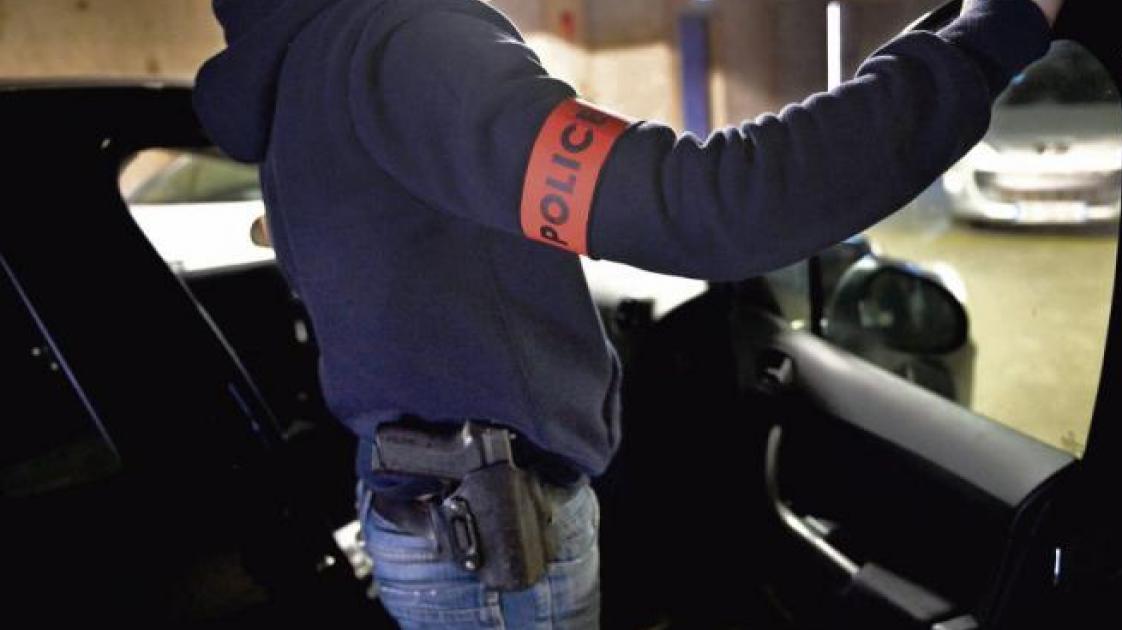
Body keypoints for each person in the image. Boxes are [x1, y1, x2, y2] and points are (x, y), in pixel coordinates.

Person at [193, 0, 1063, 626]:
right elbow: (716, 205)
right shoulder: (401, 50)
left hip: (432, 522)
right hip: (494, 553)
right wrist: (990, 38)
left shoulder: (301, 68)